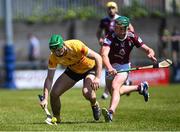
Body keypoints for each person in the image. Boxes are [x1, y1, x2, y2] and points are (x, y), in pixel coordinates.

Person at [100, 16, 157, 122]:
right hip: (110, 66)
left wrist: (150, 54)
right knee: (116, 92)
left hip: (124, 66)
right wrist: (110, 68)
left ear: (124, 29)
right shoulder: (110, 36)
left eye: (118, 27)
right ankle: (140, 88)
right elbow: (104, 54)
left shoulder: (132, 37)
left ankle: (111, 112)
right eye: (116, 27)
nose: (115, 29)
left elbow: (149, 49)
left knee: (115, 86)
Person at [39, 34, 102, 124]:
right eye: (54, 50)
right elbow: (49, 79)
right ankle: (57, 118)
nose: (57, 53)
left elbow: (98, 57)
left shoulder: (76, 45)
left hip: (89, 69)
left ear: (63, 45)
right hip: (73, 71)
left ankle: (94, 104)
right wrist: (45, 98)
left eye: (59, 50)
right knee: (54, 94)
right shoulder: (53, 57)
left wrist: (97, 78)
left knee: (88, 94)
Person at [96, 1, 134, 99]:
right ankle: (115, 87)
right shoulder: (104, 20)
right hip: (108, 46)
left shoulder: (121, 19)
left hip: (120, 46)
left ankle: (123, 83)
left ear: (116, 9)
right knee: (108, 65)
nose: (111, 10)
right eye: (109, 8)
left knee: (119, 64)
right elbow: (98, 32)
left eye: (113, 8)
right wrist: (100, 39)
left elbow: (131, 30)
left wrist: (126, 38)